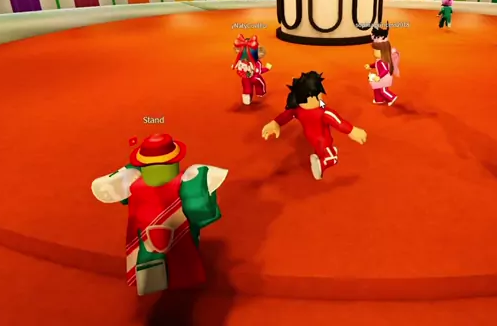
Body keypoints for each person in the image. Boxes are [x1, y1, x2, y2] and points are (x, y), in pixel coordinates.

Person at [90, 134, 228, 295]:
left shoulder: (132, 182)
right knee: (182, 260)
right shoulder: (190, 180)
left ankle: (152, 285)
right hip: (178, 233)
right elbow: (202, 212)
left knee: (148, 259)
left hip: (144, 234)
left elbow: (111, 192)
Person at [261, 72, 367, 180]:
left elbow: (286, 115)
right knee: (332, 158)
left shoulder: (298, 110)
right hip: (323, 140)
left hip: (310, 137)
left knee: (323, 149)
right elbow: (338, 122)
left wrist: (275, 123)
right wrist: (352, 130)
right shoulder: (323, 112)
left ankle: (321, 154)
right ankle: (321, 164)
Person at [365, 26, 400, 105]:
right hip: (382, 77)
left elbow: (385, 70)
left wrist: (379, 77)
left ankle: (392, 97)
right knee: (377, 87)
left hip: (385, 78)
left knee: (383, 90)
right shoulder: (379, 60)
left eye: (376, 51)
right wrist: (370, 66)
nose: (374, 53)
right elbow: (376, 64)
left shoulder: (383, 62)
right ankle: (379, 99)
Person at [231, 34, 272, 105]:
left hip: (245, 77)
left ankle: (247, 96)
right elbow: (259, 71)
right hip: (253, 77)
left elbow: (237, 66)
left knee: (247, 86)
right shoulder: (257, 62)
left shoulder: (240, 61)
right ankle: (260, 92)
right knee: (258, 82)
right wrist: (267, 68)